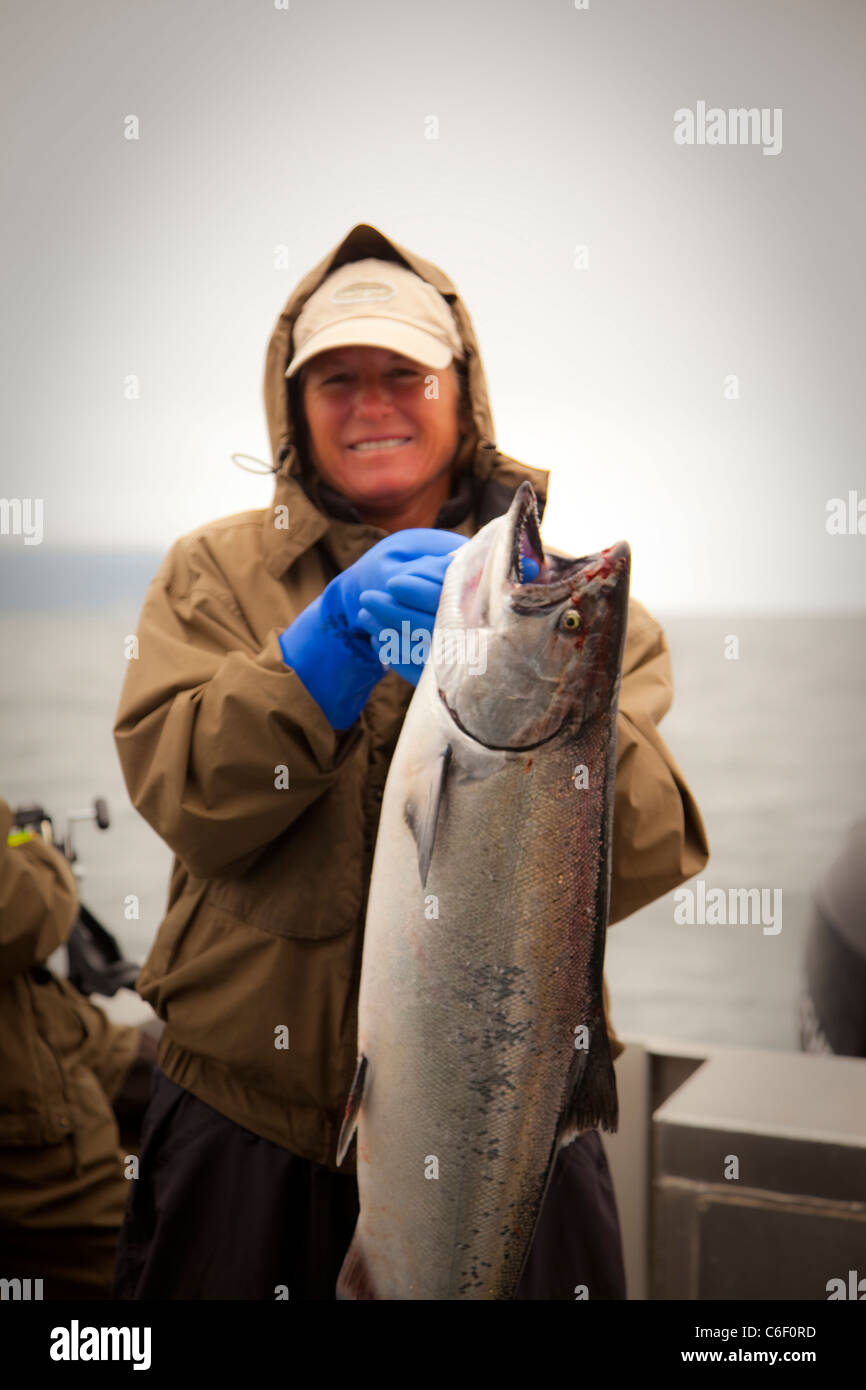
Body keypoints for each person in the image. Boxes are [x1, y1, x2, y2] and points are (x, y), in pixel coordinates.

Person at [111, 222, 709, 1300]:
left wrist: (546, 687)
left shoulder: (571, 608)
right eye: (335, 378)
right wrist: (319, 656)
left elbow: (656, 841)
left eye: (403, 373)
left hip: (511, 1133)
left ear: (460, 391)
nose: (370, 403)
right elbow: (183, 793)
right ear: (292, 402)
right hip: (244, 1124)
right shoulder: (212, 572)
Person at [0, 799, 157, 1298]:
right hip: (27, 1100)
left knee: (190, 1075)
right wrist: (47, 857)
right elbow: (21, 911)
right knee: (147, 1244)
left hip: (56, 1030)